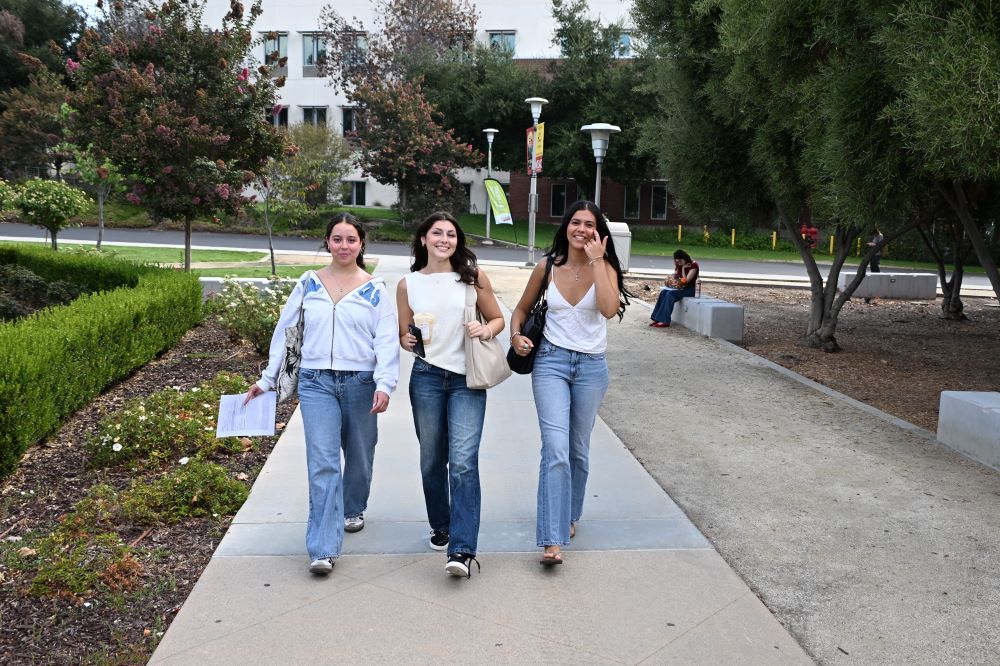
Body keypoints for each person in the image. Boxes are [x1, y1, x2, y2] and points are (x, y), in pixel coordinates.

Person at [245, 213, 399, 576]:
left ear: (361, 244)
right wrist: (267, 380)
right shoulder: (308, 283)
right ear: (326, 242)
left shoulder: (375, 289)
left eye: (351, 239)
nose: (343, 246)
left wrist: (384, 383)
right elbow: (287, 332)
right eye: (337, 239)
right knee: (323, 463)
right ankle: (323, 548)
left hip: (361, 382)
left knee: (360, 454)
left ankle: (353, 505)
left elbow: (387, 341)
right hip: (316, 383)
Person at [509, 200, 632, 565]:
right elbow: (520, 310)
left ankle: (570, 514)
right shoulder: (547, 266)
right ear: (566, 227)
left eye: (589, 224)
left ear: (598, 231)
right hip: (551, 363)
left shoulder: (605, 266)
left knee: (578, 450)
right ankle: (552, 537)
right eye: (575, 223)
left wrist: (597, 260)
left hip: (592, 368)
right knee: (556, 449)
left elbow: (609, 309)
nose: (581, 229)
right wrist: (516, 336)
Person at [397, 211, 505, 578]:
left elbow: (498, 320)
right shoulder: (407, 284)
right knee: (432, 459)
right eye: (437, 233)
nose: (445, 239)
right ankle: (440, 524)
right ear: (424, 238)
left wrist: (484, 330)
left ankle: (461, 549)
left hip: (465, 380)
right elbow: (403, 334)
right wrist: (407, 339)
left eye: (451, 234)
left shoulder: (472, 277)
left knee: (462, 462)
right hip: (426, 377)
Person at [649, 250, 699, 327]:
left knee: (670, 294)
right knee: (664, 292)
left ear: (685, 258)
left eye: (680, 261)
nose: (678, 263)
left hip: (689, 290)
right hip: (680, 288)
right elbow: (677, 278)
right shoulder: (679, 264)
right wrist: (672, 280)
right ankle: (657, 319)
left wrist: (683, 269)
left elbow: (686, 281)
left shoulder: (693, 265)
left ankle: (665, 321)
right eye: (677, 261)